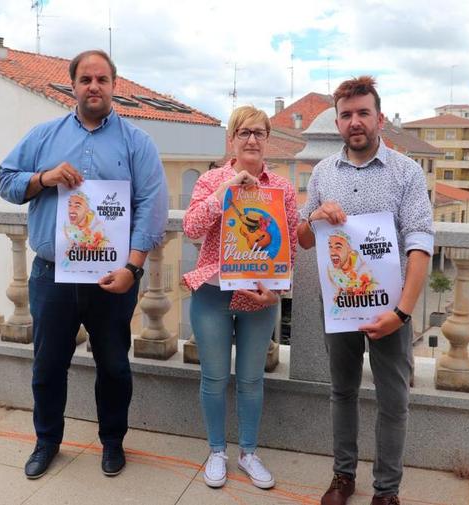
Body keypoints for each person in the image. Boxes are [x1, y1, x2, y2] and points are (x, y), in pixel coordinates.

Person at [0, 49, 168, 480]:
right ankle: (46, 441)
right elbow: (5, 181)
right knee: (48, 365)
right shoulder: (42, 137)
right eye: (86, 79)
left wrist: (132, 268)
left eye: (102, 80)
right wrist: (44, 178)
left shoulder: (137, 142)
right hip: (52, 273)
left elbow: (151, 206)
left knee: (113, 365)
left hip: (113, 276)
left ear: (115, 85)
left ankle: (112, 442)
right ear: (72, 85)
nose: (94, 86)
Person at [297, 76, 433, 505]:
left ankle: (386, 491)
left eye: (363, 113)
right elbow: (302, 237)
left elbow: (420, 242)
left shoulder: (407, 173)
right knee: (343, 392)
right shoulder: (321, 173)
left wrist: (403, 313)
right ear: (338, 122)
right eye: (346, 114)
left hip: (389, 310)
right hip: (339, 306)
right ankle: (343, 477)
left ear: (379, 118)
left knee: (393, 400)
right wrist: (316, 214)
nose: (355, 122)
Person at [182, 105, 298, 490]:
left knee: (251, 380)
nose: (251, 139)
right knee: (213, 378)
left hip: (258, 298)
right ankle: (217, 451)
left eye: (259, 133)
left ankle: (248, 452)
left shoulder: (281, 188)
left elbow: (291, 246)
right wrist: (224, 191)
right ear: (232, 138)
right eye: (244, 132)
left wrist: (276, 292)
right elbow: (192, 228)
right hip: (214, 293)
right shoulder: (212, 179)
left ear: (267, 139)